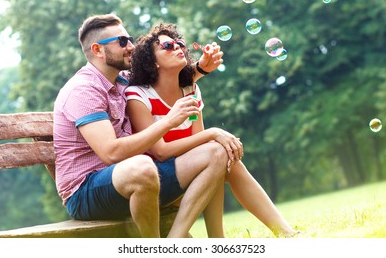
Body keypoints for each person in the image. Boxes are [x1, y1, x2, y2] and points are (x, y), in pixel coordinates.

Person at [53, 14, 240, 238]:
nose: (131, 46)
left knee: (215, 152)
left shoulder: (122, 79)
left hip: (139, 176)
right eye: (122, 42)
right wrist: (170, 121)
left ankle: (174, 241)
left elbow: (161, 78)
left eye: (129, 39)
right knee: (142, 166)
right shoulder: (83, 90)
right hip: (87, 191)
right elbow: (110, 153)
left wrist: (200, 68)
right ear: (97, 50)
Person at [125, 22, 297, 237]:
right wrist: (214, 133)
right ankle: (219, 239)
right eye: (167, 46)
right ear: (153, 62)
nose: (178, 48)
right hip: (155, 183)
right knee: (217, 152)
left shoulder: (191, 90)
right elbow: (160, 151)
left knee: (225, 158)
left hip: (189, 173)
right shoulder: (139, 95)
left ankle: (280, 234)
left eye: (179, 44)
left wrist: (214, 140)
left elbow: (199, 144)